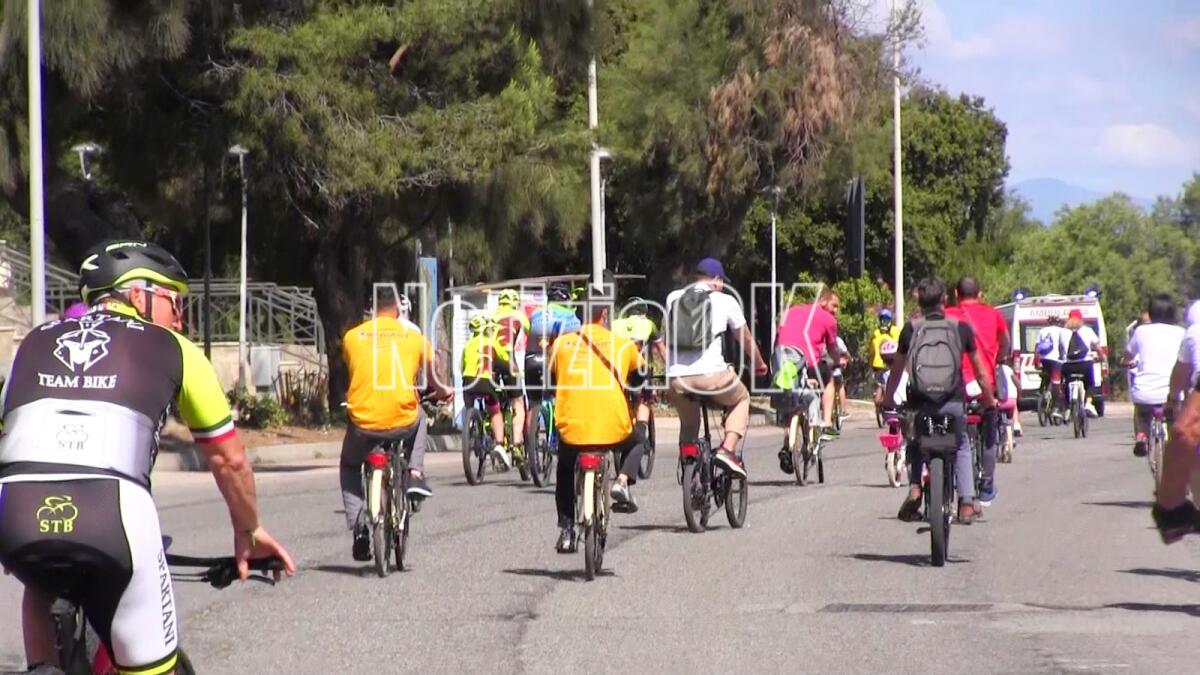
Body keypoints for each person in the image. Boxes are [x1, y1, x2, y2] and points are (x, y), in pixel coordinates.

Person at [0, 240, 296, 675]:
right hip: (112, 514)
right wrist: (248, 530)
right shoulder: (174, 348)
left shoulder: (33, 341)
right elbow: (229, 460)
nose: (179, 317)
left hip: (15, 515)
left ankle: (42, 667)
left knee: (41, 581)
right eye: (174, 301)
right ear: (138, 295)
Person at [341, 285, 447, 562]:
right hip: (402, 420)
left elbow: (354, 370)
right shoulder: (413, 337)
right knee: (420, 417)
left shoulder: (353, 337)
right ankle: (414, 473)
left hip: (363, 423)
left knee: (350, 464)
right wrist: (443, 391)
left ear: (370, 310)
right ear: (398, 310)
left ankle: (360, 528)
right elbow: (434, 376)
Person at [885, 276, 995, 525]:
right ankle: (966, 502)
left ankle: (915, 486)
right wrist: (989, 401)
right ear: (945, 299)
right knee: (962, 443)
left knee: (914, 439)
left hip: (920, 402)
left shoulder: (910, 329)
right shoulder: (961, 328)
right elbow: (980, 371)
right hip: (953, 401)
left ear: (920, 301)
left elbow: (897, 370)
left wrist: (889, 399)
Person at [549, 276, 648, 552]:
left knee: (565, 468)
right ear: (605, 313)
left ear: (580, 313)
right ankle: (623, 481)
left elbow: (549, 380)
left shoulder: (562, 344)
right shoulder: (623, 345)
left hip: (573, 428)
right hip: (613, 427)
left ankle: (567, 530)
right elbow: (641, 377)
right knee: (638, 439)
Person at [665, 258, 769, 478]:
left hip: (677, 380)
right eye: (722, 281)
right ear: (716, 280)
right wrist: (759, 364)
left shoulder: (673, 298)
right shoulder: (725, 300)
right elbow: (746, 339)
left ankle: (689, 466)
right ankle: (727, 451)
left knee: (689, 422)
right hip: (712, 376)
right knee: (741, 399)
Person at [945, 276, 1009, 506]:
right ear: (980, 294)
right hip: (985, 384)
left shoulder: (947, 314)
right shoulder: (994, 314)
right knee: (990, 430)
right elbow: (1005, 343)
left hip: (955, 383)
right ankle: (987, 485)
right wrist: (998, 358)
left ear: (955, 293)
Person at [1124, 294, 1184, 457]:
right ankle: (1175, 444)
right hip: (1171, 393)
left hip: (1145, 392)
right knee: (1173, 418)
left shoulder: (1141, 331)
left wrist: (1126, 360)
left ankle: (1141, 437)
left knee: (1142, 415)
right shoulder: (1181, 332)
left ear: (1151, 312)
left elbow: (1129, 353)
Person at [776, 286, 842, 430]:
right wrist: (838, 362)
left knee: (788, 387)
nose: (835, 310)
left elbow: (779, 334)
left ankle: (786, 432)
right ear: (823, 300)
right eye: (834, 305)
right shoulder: (828, 320)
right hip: (808, 363)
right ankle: (827, 422)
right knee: (829, 379)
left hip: (782, 361)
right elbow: (832, 349)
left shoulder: (792, 311)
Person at [612, 297, 669, 445]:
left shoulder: (614, 324)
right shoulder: (648, 324)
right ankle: (642, 432)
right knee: (645, 398)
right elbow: (663, 352)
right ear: (644, 312)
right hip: (639, 368)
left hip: (618, 368)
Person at [461, 314, 515, 468]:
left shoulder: (467, 344)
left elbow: (462, 368)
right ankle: (498, 443)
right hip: (485, 382)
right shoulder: (492, 342)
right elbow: (506, 362)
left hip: (468, 382)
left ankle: (471, 430)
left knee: (469, 408)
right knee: (495, 412)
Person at [491, 289, 531, 463]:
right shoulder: (519, 316)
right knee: (518, 403)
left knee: (493, 403)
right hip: (507, 360)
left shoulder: (491, 316)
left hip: (489, 361)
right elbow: (529, 332)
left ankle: (493, 435)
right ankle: (516, 444)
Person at [1061, 308, 1105, 412]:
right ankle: (1088, 403)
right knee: (1090, 383)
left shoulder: (1062, 332)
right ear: (1081, 319)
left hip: (1068, 365)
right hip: (1085, 364)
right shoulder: (1088, 330)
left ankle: (1067, 407)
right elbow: (1098, 348)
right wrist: (1102, 357)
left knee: (1066, 383)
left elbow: (1060, 350)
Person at [1035, 315, 1068, 420]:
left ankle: (1042, 391)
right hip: (1056, 360)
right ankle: (1056, 408)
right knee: (1056, 383)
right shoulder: (1061, 331)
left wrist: (1036, 360)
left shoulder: (1042, 330)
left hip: (1044, 359)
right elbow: (1064, 346)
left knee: (1046, 375)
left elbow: (1037, 347)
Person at [871, 308, 901, 404]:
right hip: (879, 364)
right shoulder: (876, 333)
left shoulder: (895, 331)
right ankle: (880, 402)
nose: (884, 321)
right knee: (880, 385)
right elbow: (872, 349)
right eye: (882, 319)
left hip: (892, 362)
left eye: (886, 319)